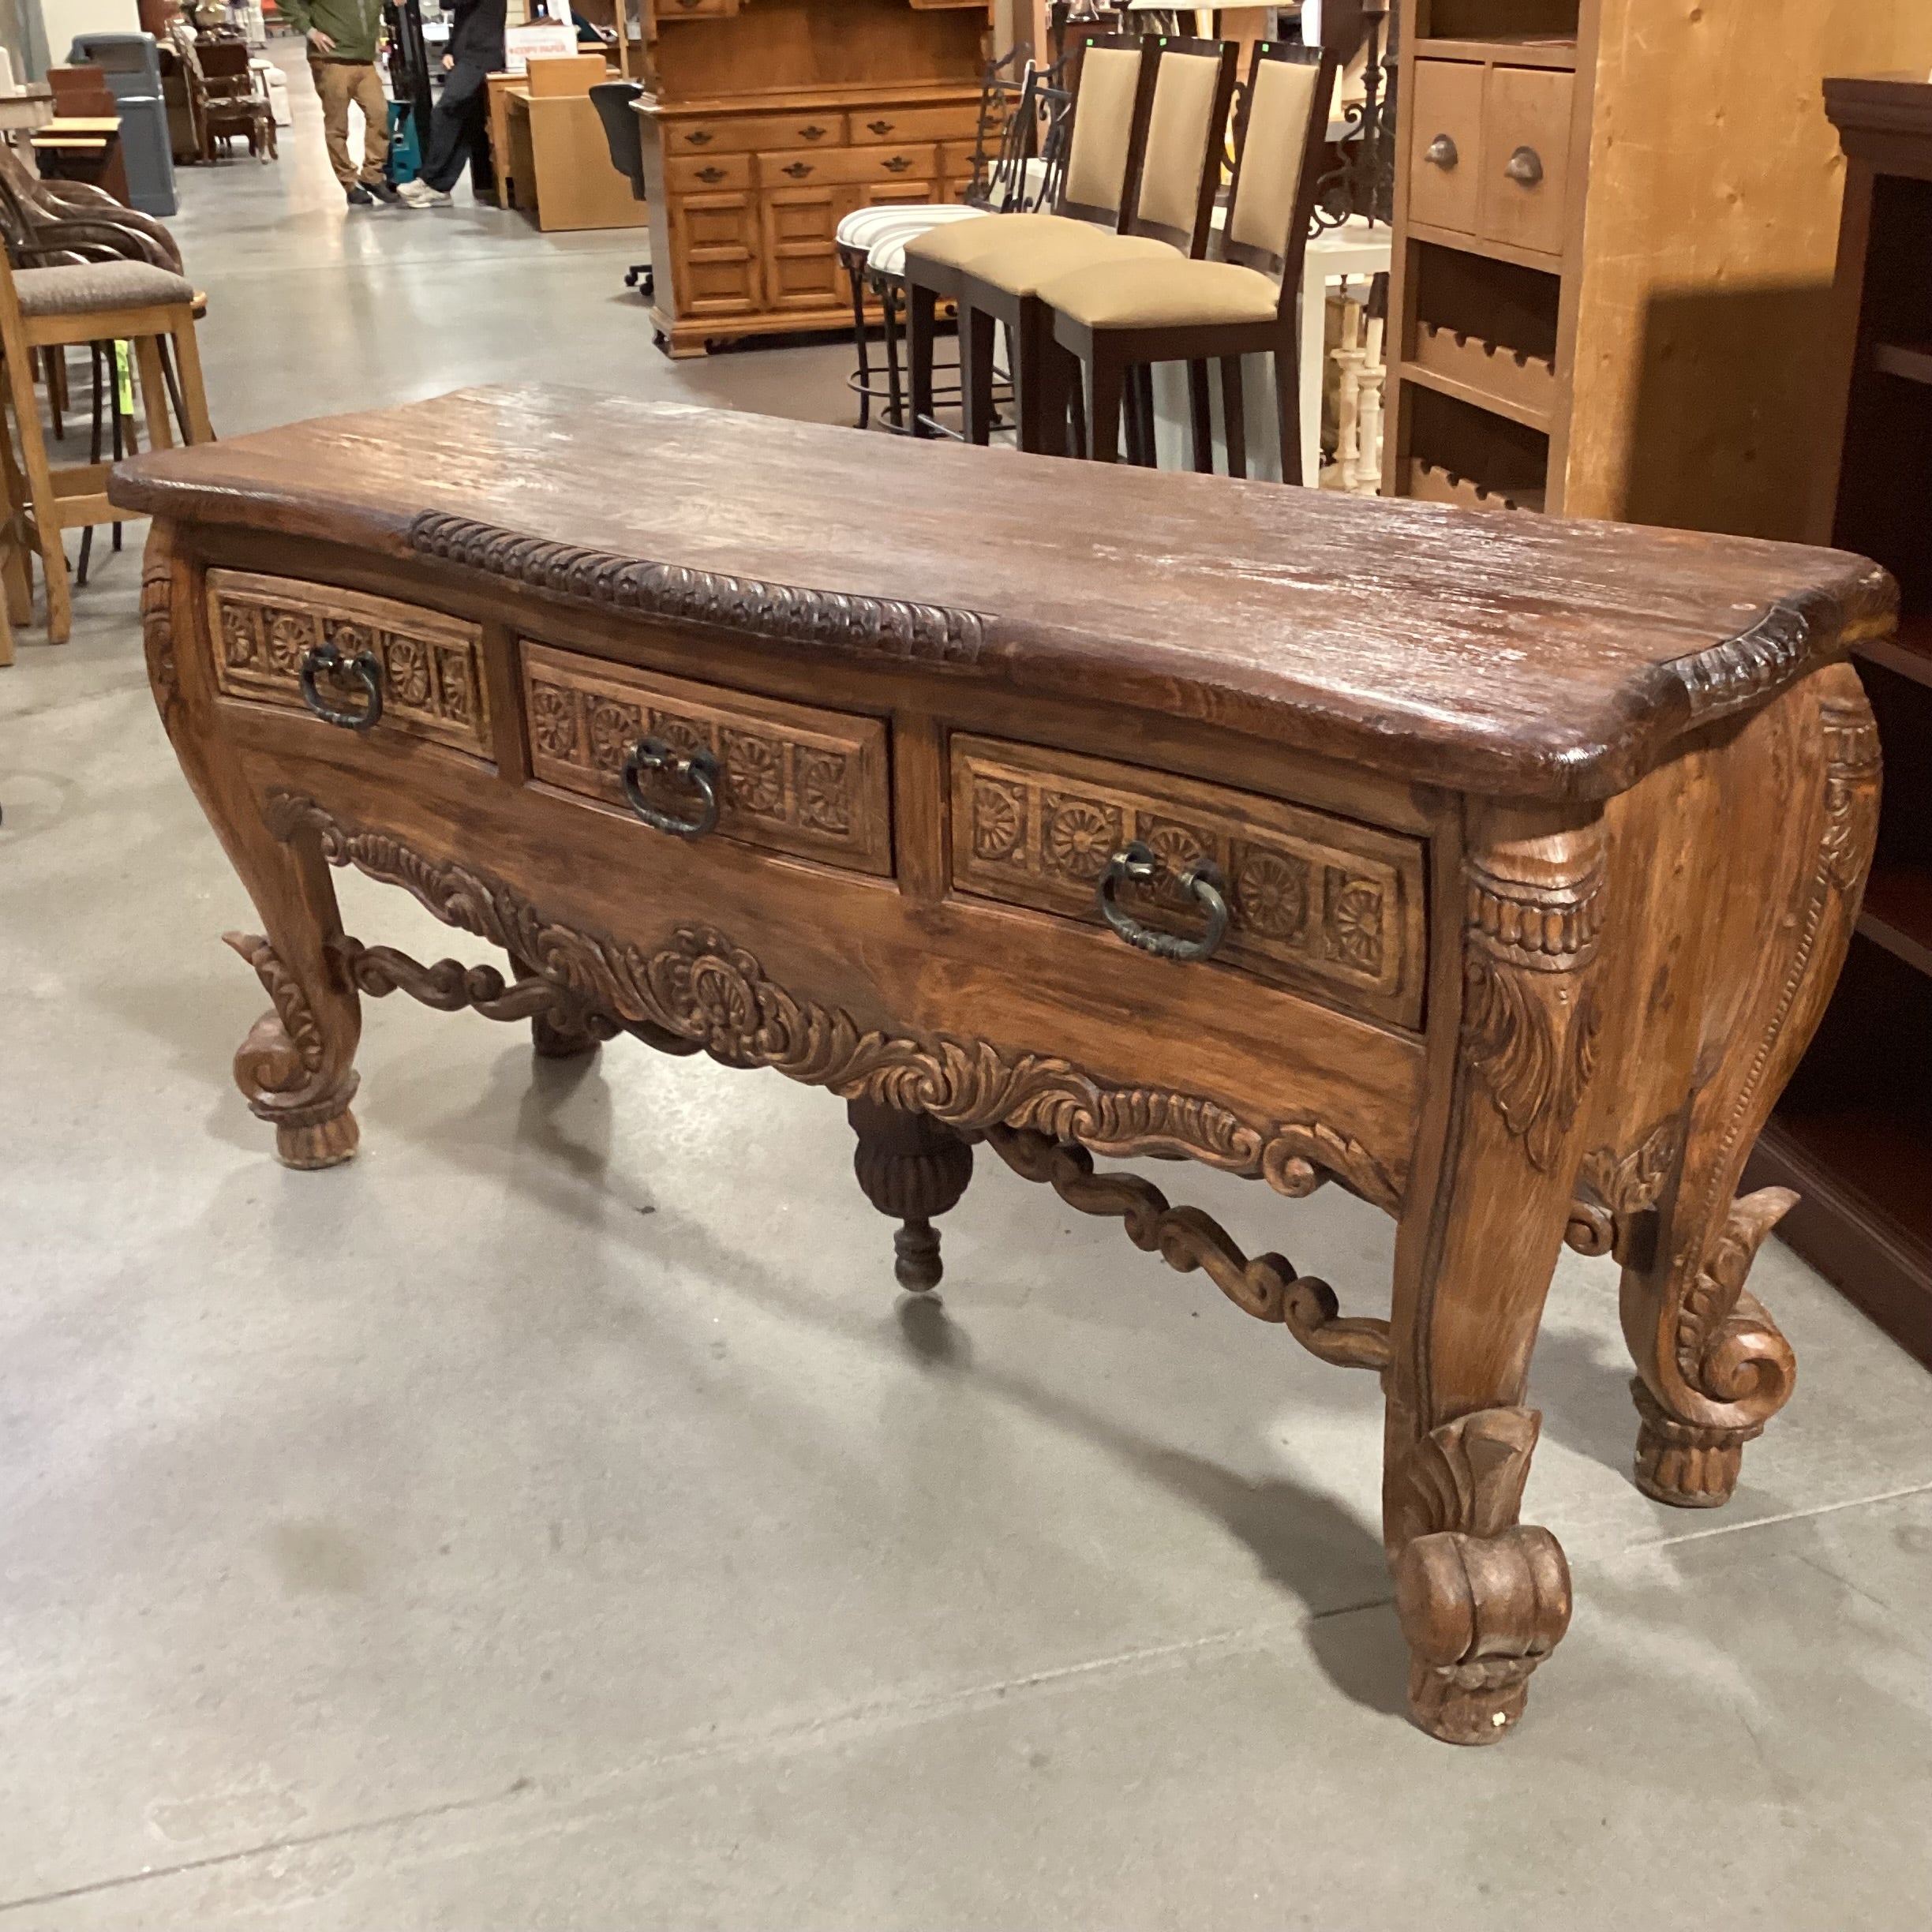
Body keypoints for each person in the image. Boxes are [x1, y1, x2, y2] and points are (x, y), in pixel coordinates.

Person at [276, 0, 400, 206]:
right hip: (332, 58)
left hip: (364, 58)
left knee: (379, 112)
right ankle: (349, 182)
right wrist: (310, 31)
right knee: (337, 125)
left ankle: (372, 174)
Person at [395, 0, 507, 208]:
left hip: (480, 57)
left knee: (444, 112)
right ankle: (440, 188)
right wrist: (450, 50)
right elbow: (462, 15)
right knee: (463, 123)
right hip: (468, 55)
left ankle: (427, 179)